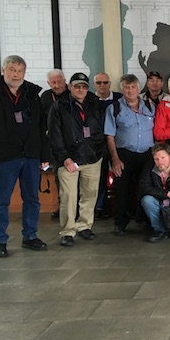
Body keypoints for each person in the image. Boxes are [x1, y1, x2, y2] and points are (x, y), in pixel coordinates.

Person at [0, 55, 50, 257]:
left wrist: (44, 155)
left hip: (30, 156)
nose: (16, 74)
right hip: (3, 157)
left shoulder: (32, 95)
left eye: (20, 70)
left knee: (32, 199)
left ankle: (30, 236)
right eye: (12, 69)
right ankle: (0, 240)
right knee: (1, 200)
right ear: (4, 70)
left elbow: (42, 128)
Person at [48, 73, 106, 247]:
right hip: (69, 160)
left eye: (84, 87)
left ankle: (84, 226)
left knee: (89, 194)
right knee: (68, 197)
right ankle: (67, 231)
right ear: (70, 87)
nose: (81, 90)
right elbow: (54, 135)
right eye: (77, 86)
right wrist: (64, 158)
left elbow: (102, 128)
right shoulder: (59, 107)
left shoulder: (95, 104)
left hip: (92, 158)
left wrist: (99, 151)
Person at [104, 74, 156, 236]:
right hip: (124, 155)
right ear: (122, 89)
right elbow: (110, 135)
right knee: (122, 190)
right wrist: (115, 158)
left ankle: (146, 221)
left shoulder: (149, 106)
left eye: (133, 87)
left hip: (147, 154)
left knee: (147, 189)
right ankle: (120, 223)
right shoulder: (114, 108)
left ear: (138, 88)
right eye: (126, 87)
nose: (130, 90)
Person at [40, 69, 70, 218]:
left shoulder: (73, 95)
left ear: (65, 81)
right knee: (60, 178)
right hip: (55, 146)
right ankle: (63, 207)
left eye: (59, 81)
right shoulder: (45, 97)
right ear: (48, 83)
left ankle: (77, 209)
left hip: (73, 144)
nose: (57, 85)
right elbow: (40, 122)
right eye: (53, 82)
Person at [92, 72, 122, 220]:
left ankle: (120, 208)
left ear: (110, 84)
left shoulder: (119, 99)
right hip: (97, 145)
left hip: (118, 143)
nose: (102, 85)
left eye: (105, 82)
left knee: (121, 176)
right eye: (99, 83)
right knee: (100, 176)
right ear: (94, 85)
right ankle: (100, 207)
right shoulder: (89, 100)